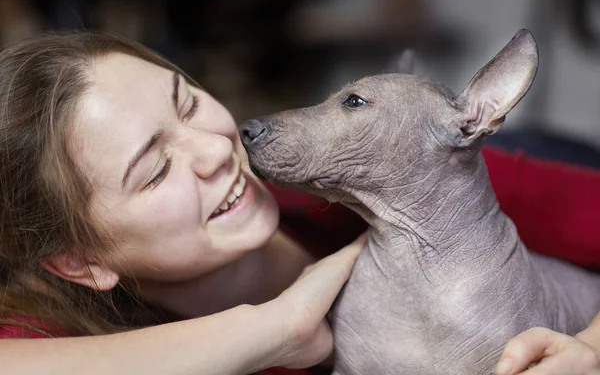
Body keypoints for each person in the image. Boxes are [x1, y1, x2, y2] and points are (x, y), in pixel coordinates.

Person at [0, 31, 598, 375]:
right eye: (155, 171)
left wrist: (592, 349)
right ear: (80, 264)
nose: (217, 147)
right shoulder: (56, 335)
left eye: (187, 103)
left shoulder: (435, 178)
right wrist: (273, 330)